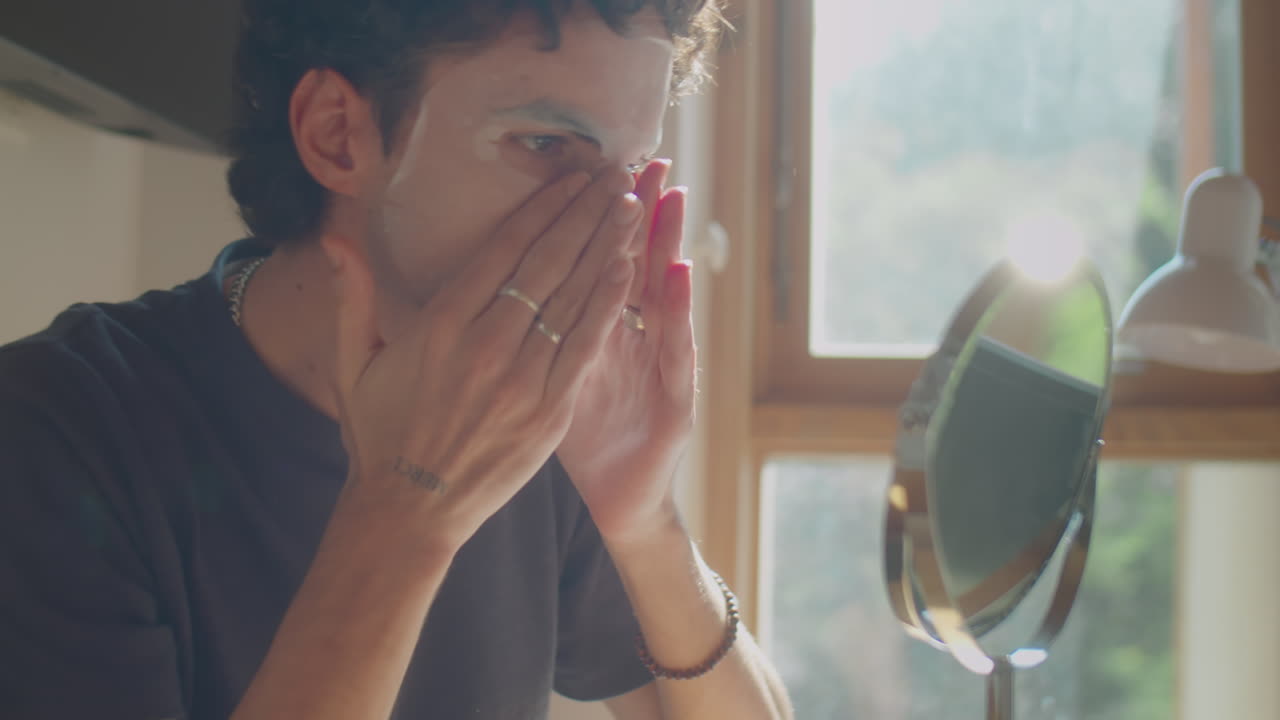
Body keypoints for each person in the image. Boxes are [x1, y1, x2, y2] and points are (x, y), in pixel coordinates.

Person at [0, 1, 794, 718]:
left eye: (631, 174)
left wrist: (645, 519)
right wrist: (402, 513)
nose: (612, 229)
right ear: (336, 134)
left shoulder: (539, 414)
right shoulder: (52, 432)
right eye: (546, 143)